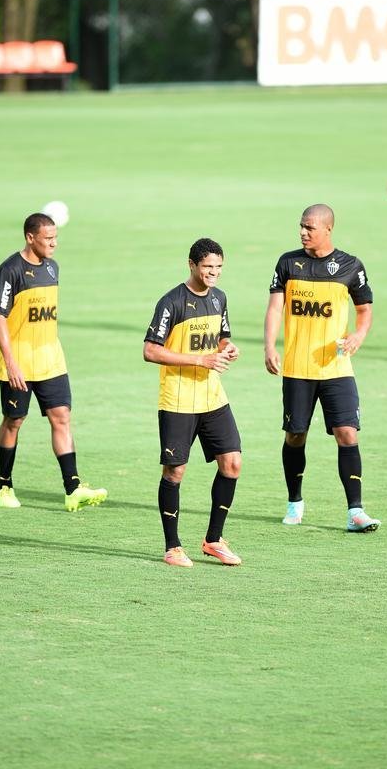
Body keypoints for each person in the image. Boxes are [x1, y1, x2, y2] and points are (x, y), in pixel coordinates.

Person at [264, 204, 380, 532]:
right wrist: (270, 346)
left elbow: (365, 309)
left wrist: (358, 334)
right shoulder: (288, 263)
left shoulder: (350, 266)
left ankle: (355, 512)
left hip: (336, 368)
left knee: (347, 433)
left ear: (327, 229)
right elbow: (275, 308)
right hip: (298, 368)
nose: (303, 232)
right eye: (301, 226)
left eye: (309, 227)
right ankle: (294, 502)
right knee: (295, 435)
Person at [0, 213, 107, 511]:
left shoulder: (53, 268)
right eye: (48, 238)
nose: (54, 243)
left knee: (62, 417)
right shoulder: (10, 270)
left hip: (51, 359)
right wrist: (11, 362)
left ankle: (73, 488)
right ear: (30, 237)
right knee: (15, 420)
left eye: (56, 237)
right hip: (18, 361)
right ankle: (5, 484)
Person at [143, 238, 242, 567]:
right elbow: (151, 350)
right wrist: (201, 361)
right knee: (176, 471)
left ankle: (213, 540)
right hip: (179, 399)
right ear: (192, 265)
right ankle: (172, 547)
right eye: (207, 267)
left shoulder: (219, 299)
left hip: (213, 397)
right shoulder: (172, 302)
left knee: (232, 463)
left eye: (218, 267)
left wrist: (228, 348)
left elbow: (222, 336)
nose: (213, 273)